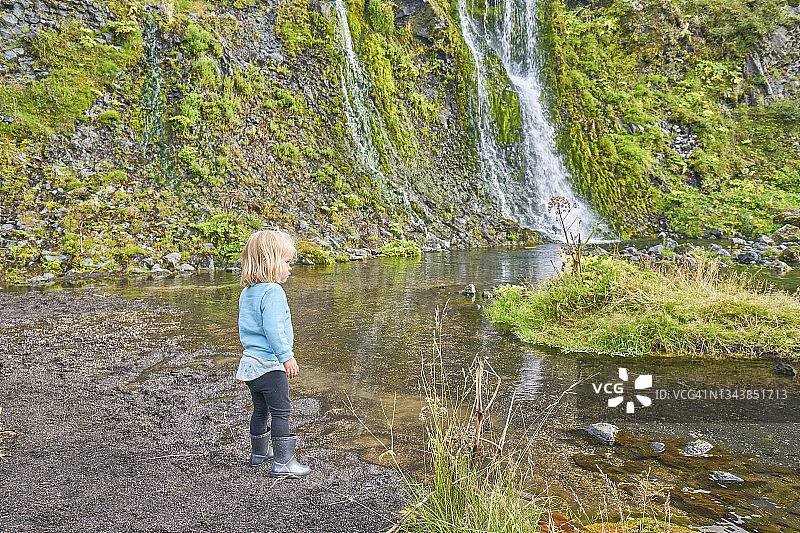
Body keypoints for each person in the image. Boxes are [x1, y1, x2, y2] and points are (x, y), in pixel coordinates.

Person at [236, 229, 311, 477]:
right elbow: (273, 329)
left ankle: (259, 453)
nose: (290, 268)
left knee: (260, 410)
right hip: (269, 364)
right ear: (269, 261)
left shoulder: (247, 292)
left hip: (250, 366)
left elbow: (248, 327)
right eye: (287, 262)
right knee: (281, 411)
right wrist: (286, 356)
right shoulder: (273, 292)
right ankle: (284, 462)